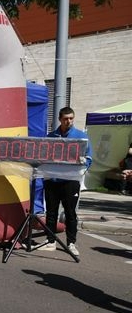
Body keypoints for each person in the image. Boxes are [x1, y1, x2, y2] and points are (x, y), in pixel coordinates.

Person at [41, 106, 93, 256]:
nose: (68, 121)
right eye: (65, 119)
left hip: (71, 181)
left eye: (71, 118)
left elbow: (89, 158)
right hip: (52, 180)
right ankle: (50, 241)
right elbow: (43, 156)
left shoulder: (81, 136)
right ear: (60, 119)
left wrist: (82, 168)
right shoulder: (51, 137)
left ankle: (71, 243)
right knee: (51, 212)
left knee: (70, 213)